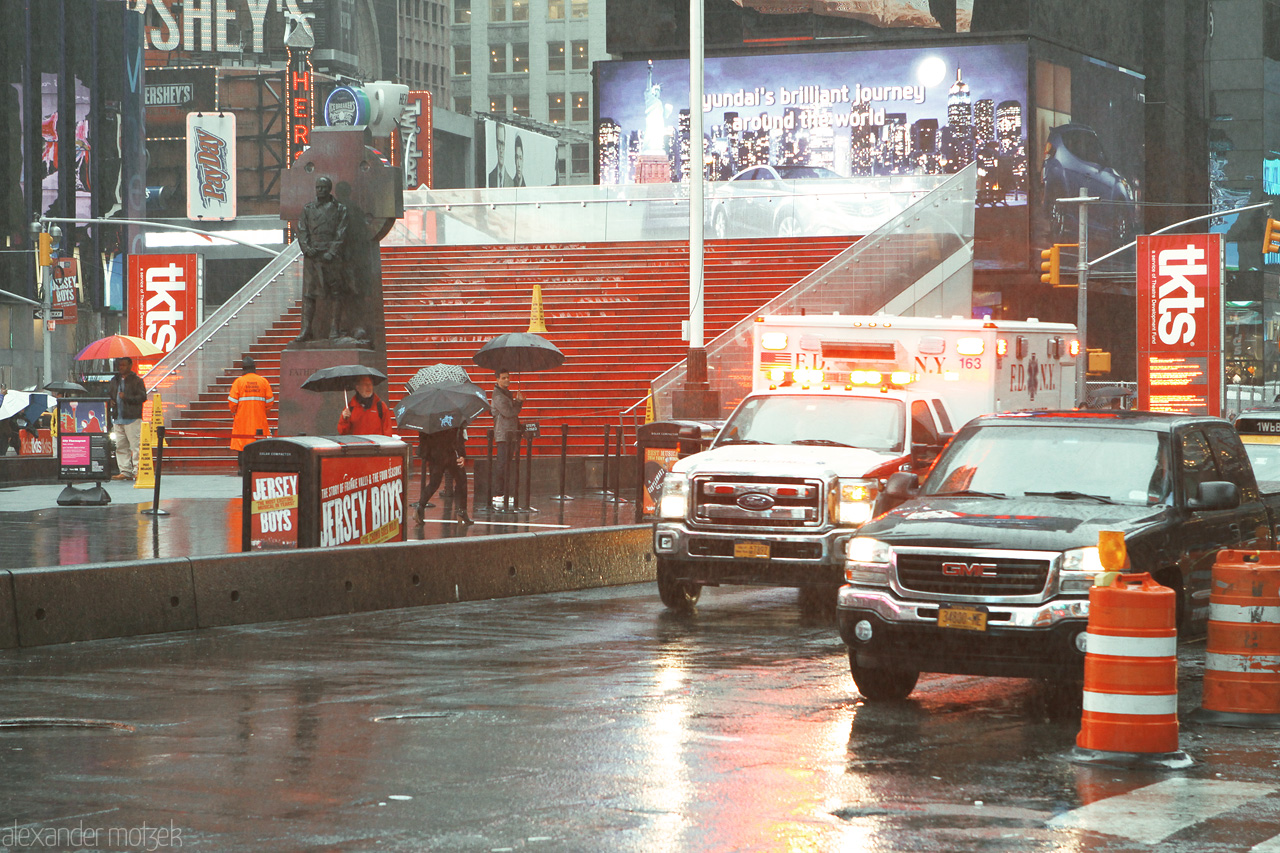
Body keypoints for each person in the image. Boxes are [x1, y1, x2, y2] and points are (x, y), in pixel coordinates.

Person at [294, 175, 354, 343]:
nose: (320, 191)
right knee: (309, 294)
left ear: (330, 189)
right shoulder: (308, 209)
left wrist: (332, 251)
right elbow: (302, 230)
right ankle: (306, 329)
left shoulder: (340, 209)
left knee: (336, 293)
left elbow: (342, 232)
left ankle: (334, 328)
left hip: (331, 257)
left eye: (323, 188)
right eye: (318, 188)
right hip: (313, 256)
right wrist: (306, 248)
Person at [416, 427, 471, 525]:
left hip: (435, 454)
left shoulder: (429, 417)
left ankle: (420, 507)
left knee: (434, 483)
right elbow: (458, 434)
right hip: (451, 452)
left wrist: (427, 454)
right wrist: (462, 454)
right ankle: (462, 511)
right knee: (462, 481)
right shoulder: (453, 414)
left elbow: (423, 437)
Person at [489, 368, 524, 508]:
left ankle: (504, 492)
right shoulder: (498, 395)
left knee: (507, 463)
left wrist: (516, 401)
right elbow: (509, 413)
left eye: (508, 377)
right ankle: (498, 493)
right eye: (503, 378)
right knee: (502, 463)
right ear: (497, 379)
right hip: (503, 434)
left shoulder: (506, 393)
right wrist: (519, 402)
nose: (507, 380)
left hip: (510, 433)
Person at [107, 357, 146, 480]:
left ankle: (137, 470)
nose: (121, 367)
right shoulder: (114, 380)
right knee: (120, 446)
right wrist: (111, 401)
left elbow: (142, 397)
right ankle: (125, 471)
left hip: (132, 417)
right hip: (118, 417)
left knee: (135, 446)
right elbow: (109, 394)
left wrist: (126, 397)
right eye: (120, 365)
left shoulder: (137, 380)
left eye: (124, 365)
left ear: (130, 365)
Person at [228, 356, 273, 452]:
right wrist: (262, 411)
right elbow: (269, 402)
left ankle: (243, 466)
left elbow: (232, 403)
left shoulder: (238, 382)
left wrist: (235, 413)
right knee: (259, 447)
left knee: (242, 448)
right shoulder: (263, 381)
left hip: (242, 423)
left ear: (243, 369)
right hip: (259, 420)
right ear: (254, 368)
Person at [487, 123, 512, 188]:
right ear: (496, 145)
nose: (501, 150)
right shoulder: (490, 177)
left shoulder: (511, 182)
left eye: (502, 144)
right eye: (499, 143)